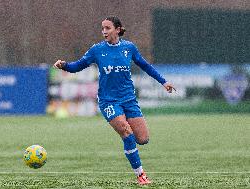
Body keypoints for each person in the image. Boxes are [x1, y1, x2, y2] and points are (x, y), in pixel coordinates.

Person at [53, 16, 176, 185]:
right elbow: (78, 66)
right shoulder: (97, 50)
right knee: (126, 131)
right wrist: (65, 65)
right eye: (102, 28)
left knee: (143, 139)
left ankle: (131, 148)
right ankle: (141, 175)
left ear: (117, 30)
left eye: (108, 28)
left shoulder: (129, 47)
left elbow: (145, 65)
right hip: (108, 101)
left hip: (129, 99)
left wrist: (164, 81)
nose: (104, 31)